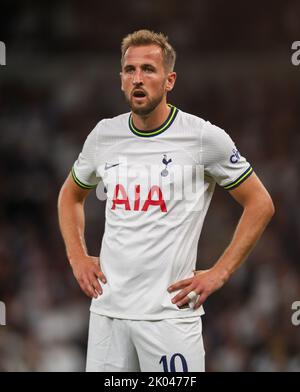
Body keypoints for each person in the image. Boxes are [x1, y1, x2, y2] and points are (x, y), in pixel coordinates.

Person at [57, 29, 274, 372]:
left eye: (148, 69)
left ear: (170, 79)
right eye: (130, 70)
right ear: (121, 80)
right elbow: (70, 194)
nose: (138, 79)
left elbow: (260, 203)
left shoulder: (203, 138)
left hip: (169, 316)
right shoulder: (103, 135)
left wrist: (219, 273)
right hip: (108, 314)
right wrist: (77, 257)